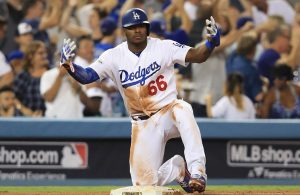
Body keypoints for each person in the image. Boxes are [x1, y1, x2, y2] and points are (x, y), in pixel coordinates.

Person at [60, 8, 220, 193]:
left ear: (147, 28)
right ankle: (177, 169)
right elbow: (87, 76)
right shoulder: (113, 56)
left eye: (141, 26)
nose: (137, 30)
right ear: (124, 31)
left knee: (183, 109)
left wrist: (210, 44)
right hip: (142, 124)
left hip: (168, 111)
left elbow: (196, 55)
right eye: (132, 27)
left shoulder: (163, 47)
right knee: (144, 186)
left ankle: (197, 170)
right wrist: (70, 66)